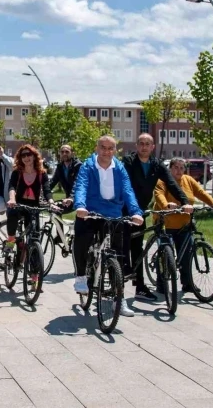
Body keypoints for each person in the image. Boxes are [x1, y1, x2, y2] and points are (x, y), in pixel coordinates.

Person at [74, 135, 144, 317]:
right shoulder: (88, 166)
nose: (106, 151)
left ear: (115, 150)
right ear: (97, 148)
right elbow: (81, 186)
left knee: (118, 255)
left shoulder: (119, 168)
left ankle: (118, 300)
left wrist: (136, 212)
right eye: (103, 147)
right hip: (90, 211)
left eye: (110, 148)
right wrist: (80, 206)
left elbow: (128, 190)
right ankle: (81, 276)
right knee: (82, 239)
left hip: (113, 213)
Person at [122, 133, 192, 303]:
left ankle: (140, 287)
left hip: (140, 211)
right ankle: (118, 281)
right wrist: (131, 209)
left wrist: (184, 202)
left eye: (148, 144)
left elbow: (171, 183)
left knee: (137, 248)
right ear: (136, 145)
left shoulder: (156, 164)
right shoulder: (128, 162)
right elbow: (125, 186)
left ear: (153, 147)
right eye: (141, 143)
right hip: (123, 209)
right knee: (123, 245)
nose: (144, 147)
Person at [153, 157, 213, 294]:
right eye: (175, 167)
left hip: (184, 224)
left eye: (181, 168)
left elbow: (200, 192)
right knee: (165, 254)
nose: (179, 170)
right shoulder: (162, 181)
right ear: (170, 169)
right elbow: (159, 195)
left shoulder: (188, 180)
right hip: (165, 222)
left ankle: (187, 283)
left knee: (187, 255)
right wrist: (167, 205)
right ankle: (161, 283)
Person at [4, 144, 54, 287]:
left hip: (33, 207)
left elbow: (47, 189)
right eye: (23, 155)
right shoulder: (17, 172)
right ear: (20, 158)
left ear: (34, 156)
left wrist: (51, 202)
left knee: (34, 240)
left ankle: (34, 276)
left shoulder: (41, 173)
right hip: (19, 204)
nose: (26, 158)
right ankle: (11, 239)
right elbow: (12, 187)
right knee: (11, 212)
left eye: (29, 154)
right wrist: (12, 199)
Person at [49, 144, 81, 210]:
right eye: (62, 152)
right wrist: (43, 192)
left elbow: (77, 183)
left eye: (67, 152)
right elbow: (53, 182)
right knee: (55, 209)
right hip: (68, 199)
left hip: (81, 198)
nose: (64, 154)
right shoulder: (60, 167)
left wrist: (71, 197)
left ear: (72, 153)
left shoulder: (78, 165)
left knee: (81, 215)